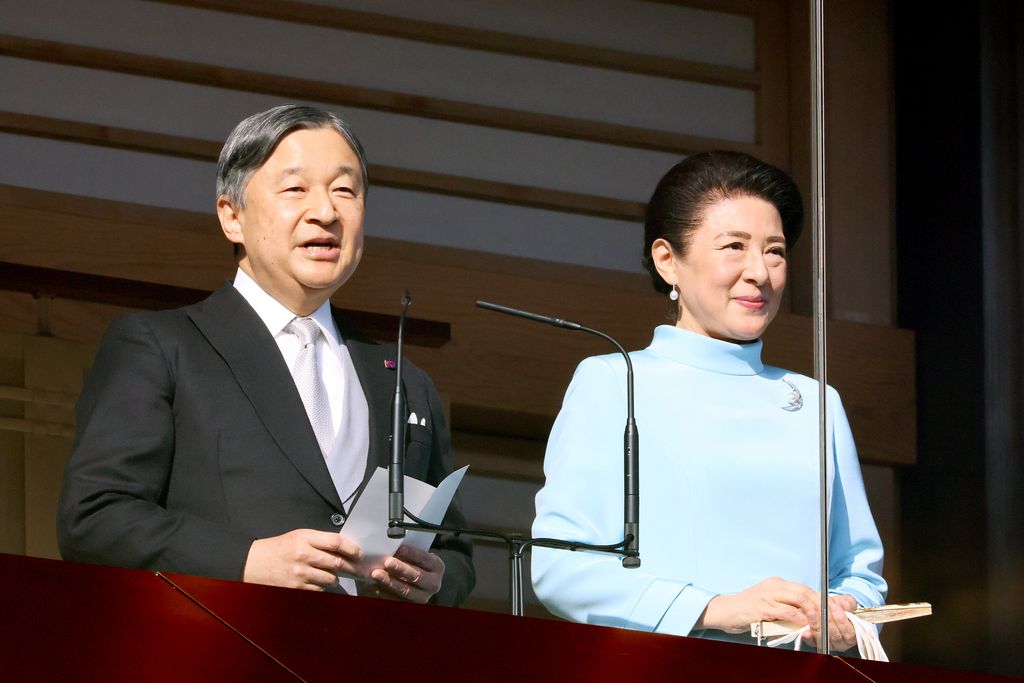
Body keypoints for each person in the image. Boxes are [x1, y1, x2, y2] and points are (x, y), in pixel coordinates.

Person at [57, 105, 473, 606]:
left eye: (345, 190)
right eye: (296, 189)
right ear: (232, 217)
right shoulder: (161, 347)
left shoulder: (404, 381)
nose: (325, 212)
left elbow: (456, 553)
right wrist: (246, 561)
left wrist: (435, 580)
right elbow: (94, 517)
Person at [531, 151, 886, 650]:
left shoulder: (817, 402)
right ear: (667, 260)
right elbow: (560, 565)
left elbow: (860, 575)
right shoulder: (615, 380)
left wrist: (848, 615)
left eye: (775, 251)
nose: (759, 272)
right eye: (734, 247)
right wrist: (716, 609)